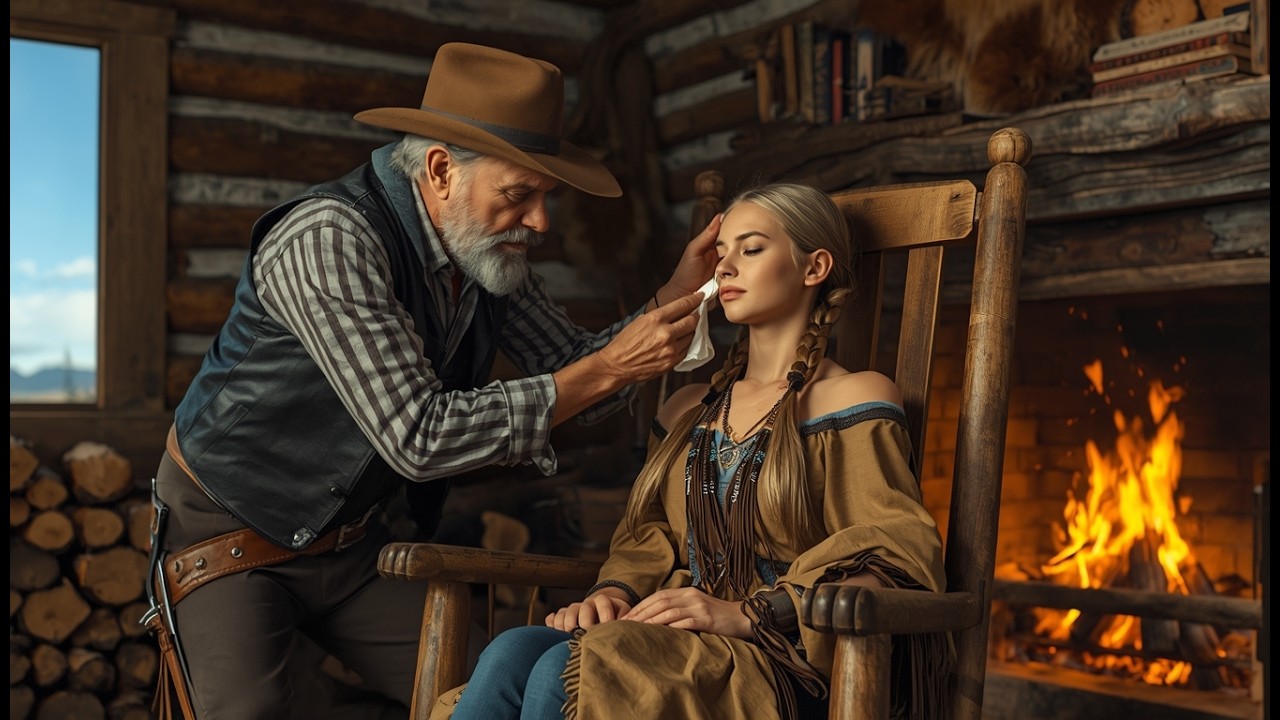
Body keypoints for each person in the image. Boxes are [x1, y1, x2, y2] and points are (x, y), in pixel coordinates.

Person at [143, 42, 721, 720]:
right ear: (442, 170)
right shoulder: (329, 238)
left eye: (546, 198)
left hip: (354, 545)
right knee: (254, 711)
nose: (541, 222)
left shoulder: (485, 249)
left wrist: (670, 298)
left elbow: (583, 375)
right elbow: (417, 436)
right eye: (520, 195)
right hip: (233, 535)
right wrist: (607, 367)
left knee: (488, 691)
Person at [447, 183, 950, 720]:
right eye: (721, 253)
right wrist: (614, 593)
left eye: (751, 249)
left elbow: (893, 550)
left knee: (562, 672)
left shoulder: (853, 397)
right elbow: (650, 536)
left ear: (814, 267)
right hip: (683, 642)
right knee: (509, 653)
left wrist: (749, 613)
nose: (726, 267)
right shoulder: (690, 407)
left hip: (784, 660)